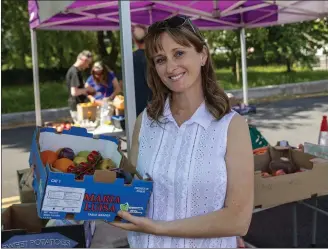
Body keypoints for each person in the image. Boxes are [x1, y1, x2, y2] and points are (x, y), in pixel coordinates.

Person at [110, 16, 254, 248]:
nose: (170, 67)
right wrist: (89, 177)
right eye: (160, 59)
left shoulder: (231, 126)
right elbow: (133, 192)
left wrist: (157, 228)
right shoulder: (144, 122)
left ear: (202, 54)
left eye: (178, 53)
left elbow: (238, 219)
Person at [66, 50, 93, 122]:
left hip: (79, 106)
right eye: (88, 63)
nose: (88, 66)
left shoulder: (76, 71)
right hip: (77, 107)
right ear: (83, 60)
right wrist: (87, 89)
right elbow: (74, 92)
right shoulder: (75, 72)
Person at [132, 24, 153, 117]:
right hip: (156, 105)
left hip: (136, 106)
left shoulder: (130, 58)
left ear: (134, 39)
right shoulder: (156, 57)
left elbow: (121, 84)